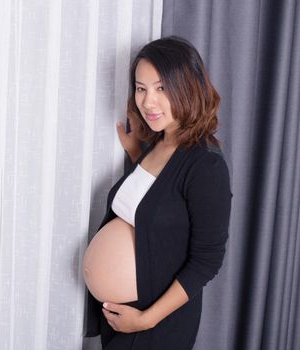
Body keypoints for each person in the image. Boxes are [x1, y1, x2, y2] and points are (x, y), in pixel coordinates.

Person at [83, 36, 232, 349]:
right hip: (124, 319)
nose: (148, 101)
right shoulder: (159, 144)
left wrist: (147, 319)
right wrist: (138, 152)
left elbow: (207, 261)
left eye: (161, 88)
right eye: (141, 88)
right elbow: (162, 202)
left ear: (187, 86)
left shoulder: (206, 166)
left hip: (156, 325)